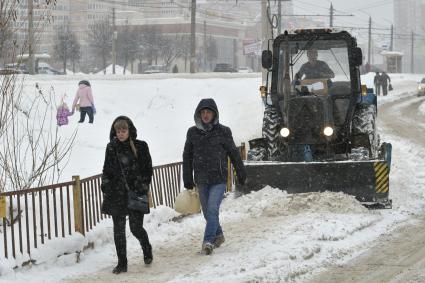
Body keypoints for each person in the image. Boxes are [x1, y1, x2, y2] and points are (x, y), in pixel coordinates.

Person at [183, 98, 247, 255]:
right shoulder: (192, 133)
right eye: (203, 112)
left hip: (218, 179)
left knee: (212, 209)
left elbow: (234, 153)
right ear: (199, 114)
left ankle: (208, 241)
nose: (205, 115)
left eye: (208, 112)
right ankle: (219, 235)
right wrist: (187, 178)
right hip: (201, 179)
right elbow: (187, 156)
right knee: (207, 211)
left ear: (214, 114)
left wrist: (241, 172)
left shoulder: (223, 131)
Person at [101, 116, 153, 274]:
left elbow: (148, 169)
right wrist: (105, 184)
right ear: (115, 131)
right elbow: (106, 170)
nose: (121, 133)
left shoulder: (141, 146)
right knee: (118, 230)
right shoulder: (111, 148)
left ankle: (146, 247)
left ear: (129, 130)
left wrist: (142, 185)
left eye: (124, 130)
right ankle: (122, 263)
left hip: (135, 193)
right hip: (116, 195)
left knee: (136, 228)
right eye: (118, 130)